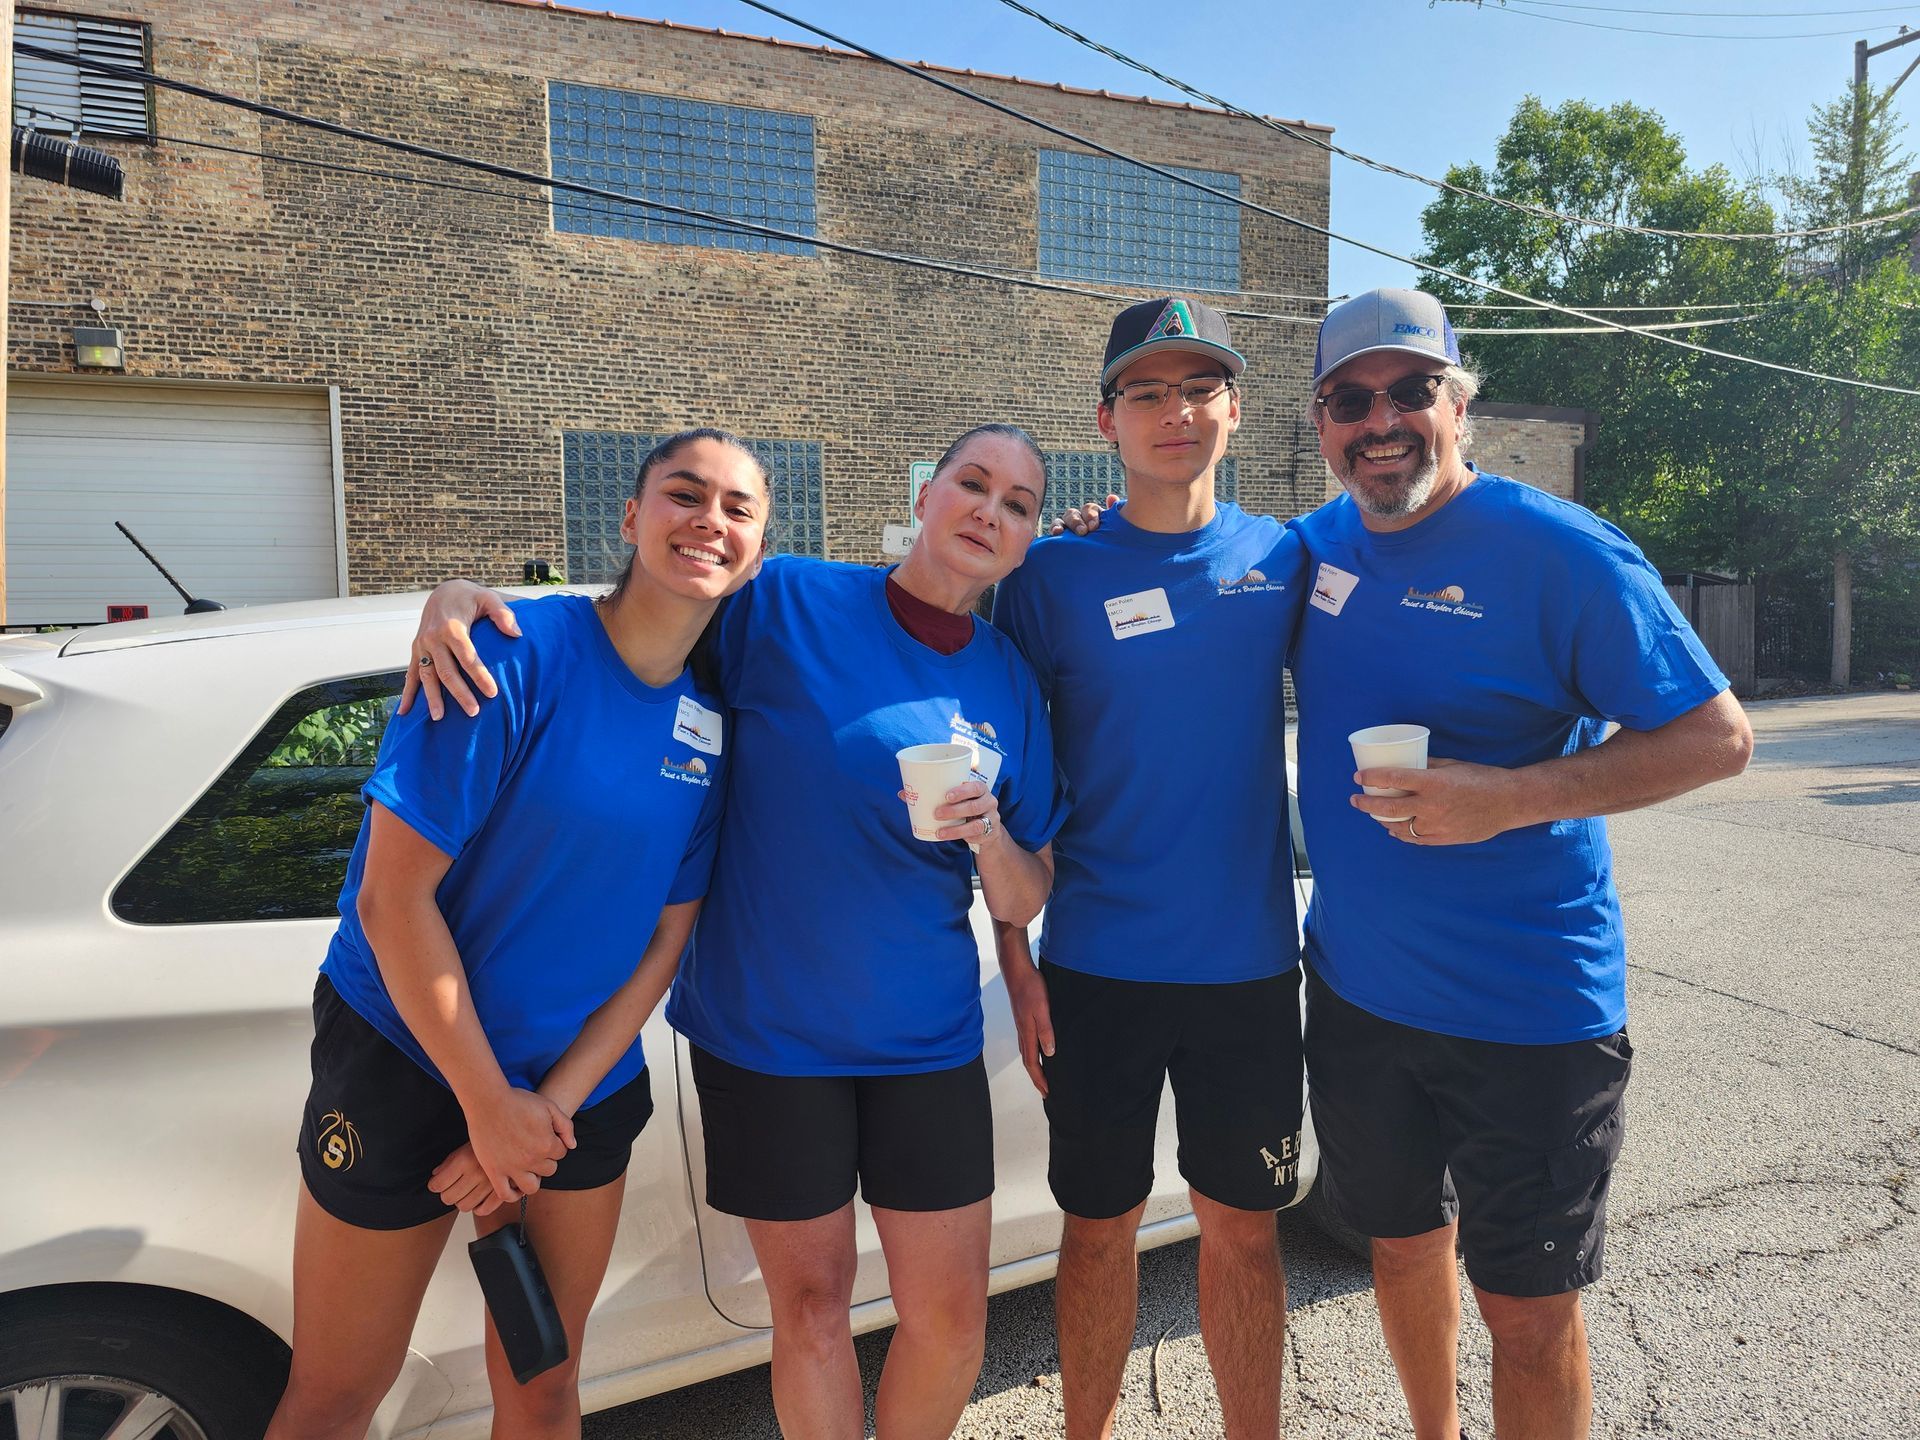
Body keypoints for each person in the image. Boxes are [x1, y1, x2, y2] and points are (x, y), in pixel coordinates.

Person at [403, 423, 1069, 1440]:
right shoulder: (786, 600)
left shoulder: (1011, 682)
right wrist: (462, 602)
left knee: (952, 1320)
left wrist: (989, 842)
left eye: (1018, 505)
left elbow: (1025, 894)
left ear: (1025, 542)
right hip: (765, 1040)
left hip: (923, 1041)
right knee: (810, 1310)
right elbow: (629, 627)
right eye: (972, 484)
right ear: (924, 497)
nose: (990, 511)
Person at [1291, 288, 1754, 1440]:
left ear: (1459, 404)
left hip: (1530, 1011)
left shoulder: (1559, 550)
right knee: (1398, 1250)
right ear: (1321, 423)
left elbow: (1715, 738)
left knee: (1528, 1313)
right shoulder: (1312, 549)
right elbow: (1194, 575)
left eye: (1411, 391)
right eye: (1353, 400)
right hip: (1355, 996)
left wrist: (1507, 799)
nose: (1381, 420)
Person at [266, 429, 769, 1439]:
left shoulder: (710, 728)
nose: (708, 520)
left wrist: (535, 1114)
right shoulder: (504, 653)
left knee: (543, 1389)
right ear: (629, 520)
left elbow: (661, 947)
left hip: (572, 1095)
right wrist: (485, 1105)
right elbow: (389, 902)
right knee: (335, 1399)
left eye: (737, 508)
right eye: (683, 493)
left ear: (758, 547)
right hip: (408, 1058)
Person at [991, 296, 1310, 1440]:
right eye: (1147, 391)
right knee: (1096, 1230)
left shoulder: (1290, 559)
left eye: (1199, 388)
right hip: (1096, 968)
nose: (1176, 411)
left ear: (1234, 408)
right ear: (1106, 418)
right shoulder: (1046, 580)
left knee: (1243, 1231)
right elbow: (1006, 783)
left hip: (1248, 971)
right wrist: (1016, 961)